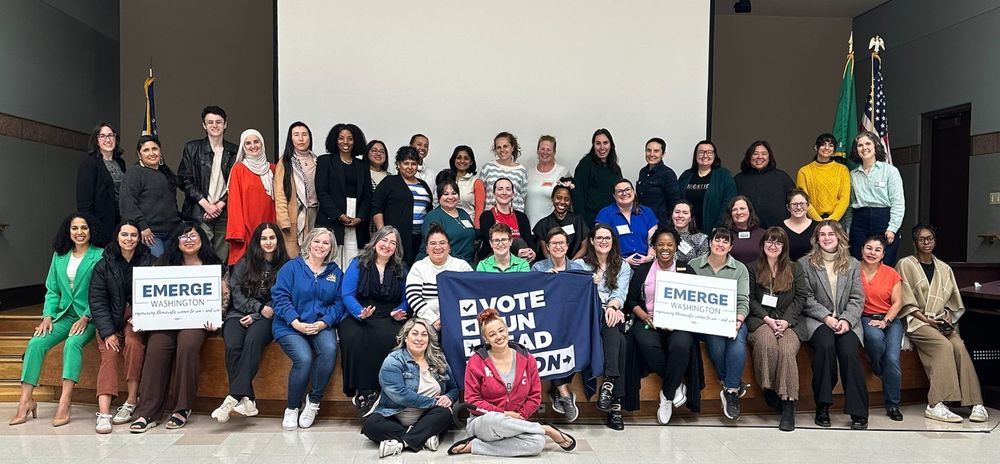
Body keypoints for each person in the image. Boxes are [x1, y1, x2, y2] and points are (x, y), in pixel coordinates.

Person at [11, 213, 103, 427]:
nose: (79, 232)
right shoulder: (59, 256)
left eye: (84, 228)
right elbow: (52, 290)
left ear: (91, 231)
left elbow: (101, 291)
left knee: (72, 344)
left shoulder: (99, 255)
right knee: (36, 343)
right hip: (63, 315)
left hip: (89, 316)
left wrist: (87, 315)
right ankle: (25, 401)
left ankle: (65, 400)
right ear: (68, 232)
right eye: (75, 228)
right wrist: (47, 316)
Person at [129, 222, 222, 432]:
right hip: (165, 321)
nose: (188, 241)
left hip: (198, 323)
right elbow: (148, 296)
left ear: (202, 239)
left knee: (188, 346)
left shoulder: (213, 265)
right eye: (183, 237)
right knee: (156, 349)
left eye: (193, 236)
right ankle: (148, 412)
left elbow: (223, 300)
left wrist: (215, 319)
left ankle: (182, 408)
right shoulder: (162, 265)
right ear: (176, 242)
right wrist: (142, 316)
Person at [449, 308, 576, 456]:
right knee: (493, 419)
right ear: (485, 339)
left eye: (501, 330)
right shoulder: (476, 361)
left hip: (517, 422)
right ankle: (545, 430)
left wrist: (520, 416)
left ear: (507, 330)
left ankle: (474, 446)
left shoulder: (528, 359)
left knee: (538, 443)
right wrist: (503, 414)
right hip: (484, 422)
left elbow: (534, 397)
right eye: (492, 334)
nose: (499, 336)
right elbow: (472, 401)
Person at [896, 224, 988, 423]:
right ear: (915, 243)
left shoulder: (945, 268)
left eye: (930, 238)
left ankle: (975, 403)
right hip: (917, 322)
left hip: (942, 322)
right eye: (922, 239)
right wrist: (925, 318)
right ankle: (936, 403)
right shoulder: (905, 264)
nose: (926, 242)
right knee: (943, 346)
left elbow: (952, 301)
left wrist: (946, 315)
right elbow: (904, 299)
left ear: (935, 241)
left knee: (959, 346)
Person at [794, 220, 869, 430]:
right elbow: (806, 298)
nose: (827, 238)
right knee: (826, 347)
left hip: (847, 321)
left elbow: (857, 298)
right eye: (822, 235)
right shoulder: (805, 263)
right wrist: (827, 317)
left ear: (839, 237)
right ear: (817, 239)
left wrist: (846, 320)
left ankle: (858, 411)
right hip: (818, 320)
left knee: (848, 352)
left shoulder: (853, 264)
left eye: (831, 234)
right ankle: (823, 405)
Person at [211, 222, 289, 423]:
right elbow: (236, 295)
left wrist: (257, 315)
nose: (268, 242)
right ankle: (248, 399)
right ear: (257, 241)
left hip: (268, 316)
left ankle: (232, 397)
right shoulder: (244, 262)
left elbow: (282, 297)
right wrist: (255, 309)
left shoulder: (287, 266)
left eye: (272, 238)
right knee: (233, 344)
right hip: (238, 312)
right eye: (264, 238)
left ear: (278, 240)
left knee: (253, 340)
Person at [624, 227, 701, 425]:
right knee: (644, 341)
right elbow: (631, 301)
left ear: (676, 247)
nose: (665, 248)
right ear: (654, 247)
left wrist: (678, 320)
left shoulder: (686, 269)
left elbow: (696, 303)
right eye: (660, 244)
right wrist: (643, 316)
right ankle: (674, 387)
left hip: (679, 324)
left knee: (682, 345)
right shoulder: (643, 270)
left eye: (669, 244)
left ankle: (666, 397)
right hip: (649, 320)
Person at [271, 227, 345, 431]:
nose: (321, 246)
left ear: (331, 247)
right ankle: (292, 407)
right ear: (309, 243)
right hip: (290, 325)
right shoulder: (291, 268)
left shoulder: (335, 273)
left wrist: (324, 323)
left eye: (326, 243)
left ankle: (313, 403)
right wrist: (295, 322)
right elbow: (280, 298)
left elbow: (338, 304)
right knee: (303, 359)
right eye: (317, 242)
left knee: (329, 350)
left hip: (320, 325)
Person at [89, 220, 155, 433]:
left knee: (134, 345)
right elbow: (97, 301)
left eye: (133, 235)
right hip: (109, 320)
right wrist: (108, 332)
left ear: (139, 238)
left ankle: (131, 401)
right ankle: (104, 413)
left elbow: (155, 294)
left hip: (136, 319)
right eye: (124, 234)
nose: (129, 239)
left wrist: (142, 315)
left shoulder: (149, 261)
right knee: (109, 353)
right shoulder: (103, 264)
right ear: (117, 237)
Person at [362, 318, 458, 458]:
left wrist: (448, 398)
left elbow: (453, 388)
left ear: (429, 339)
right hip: (393, 415)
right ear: (406, 337)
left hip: (429, 416)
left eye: (424, 335)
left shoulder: (439, 359)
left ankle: (401, 443)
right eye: (415, 333)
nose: (419, 338)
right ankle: (424, 437)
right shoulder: (393, 361)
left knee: (445, 414)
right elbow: (401, 395)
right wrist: (434, 402)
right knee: (371, 425)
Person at [340, 226, 409, 413]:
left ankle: (385, 391)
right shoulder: (358, 263)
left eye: (392, 242)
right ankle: (363, 392)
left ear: (397, 247)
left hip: (389, 314)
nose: (387, 245)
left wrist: (400, 310)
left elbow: (407, 298)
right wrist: (360, 312)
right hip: (359, 313)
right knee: (354, 338)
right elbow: (347, 295)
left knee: (390, 337)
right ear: (376, 241)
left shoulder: (401, 269)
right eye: (384, 240)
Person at [746, 227, 807, 431]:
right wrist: (768, 319)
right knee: (766, 344)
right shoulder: (752, 268)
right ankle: (770, 391)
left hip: (789, 323)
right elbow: (750, 299)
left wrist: (786, 321)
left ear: (784, 247)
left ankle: (788, 405)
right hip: (761, 321)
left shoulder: (795, 268)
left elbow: (800, 298)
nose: (773, 246)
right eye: (769, 242)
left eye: (778, 243)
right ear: (762, 245)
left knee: (787, 351)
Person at [688, 227, 750, 421]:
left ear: (730, 246)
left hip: (733, 319)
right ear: (710, 242)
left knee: (737, 341)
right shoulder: (694, 264)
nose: (720, 244)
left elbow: (743, 300)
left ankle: (730, 391)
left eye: (725, 241)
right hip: (703, 322)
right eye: (717, 240)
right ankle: (734, 384)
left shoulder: (739, 268)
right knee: (715, 340)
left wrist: (739, 319)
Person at [573, 224, 632, 429]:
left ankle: (610, 391)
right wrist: (594, 290)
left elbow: (620, 294)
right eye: (599, 238)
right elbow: (575, 292)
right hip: (588, 318)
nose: (603, 241)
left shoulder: (623, 266)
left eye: (607, 238)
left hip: (611, 316)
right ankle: (615, 404)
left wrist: (613, 307)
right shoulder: (580, 265)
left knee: (621, 342)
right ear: (591, 240)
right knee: (618, 337)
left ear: (613, 241)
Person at [178, 105, 238, 262]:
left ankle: (220, 285)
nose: (214, 125)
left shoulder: (234, 151)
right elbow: (185, 180)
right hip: (200, 209)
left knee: (221, 254)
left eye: (219, 122)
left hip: (224, 210)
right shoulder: (192, 148)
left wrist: (219, 205)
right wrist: (206, 205)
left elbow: (236, 183)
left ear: (225, 124)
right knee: (201, 252)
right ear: (204, 125)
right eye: (210, 122)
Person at [858, 234, 905, 422]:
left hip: (890, 320)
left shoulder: (891, 273)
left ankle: (893, 404)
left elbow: (898, 302)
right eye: (869, 248)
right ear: (862, 250)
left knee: (892, 360)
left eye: (877, 250)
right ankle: (878, 368)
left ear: (883, 254)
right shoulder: (853, 270)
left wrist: (885, 321)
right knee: (875, 340)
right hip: (865, 317)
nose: (872, 253)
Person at [316, 123, 371, 269]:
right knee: (332, 260)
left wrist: (360, 217)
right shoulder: (325, 161)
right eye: (341, 138)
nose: (345, 142)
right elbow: (322, 192)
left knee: (354, 261)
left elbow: (367, 195)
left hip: (357, 219)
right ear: (335, 140)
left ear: (356, 141)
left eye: (350, 138)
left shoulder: (362, 165)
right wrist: (338, 215)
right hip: (333, 216)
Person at [846, 131, 905, 266]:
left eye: (868, 143)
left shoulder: (890, 171)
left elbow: (898, 202)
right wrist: (848, 230)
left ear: (876, 146)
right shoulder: (852, 175)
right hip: (859, 221)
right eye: (859, 145)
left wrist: (893, 228)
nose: (864, 148)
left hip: (884, 220)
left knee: (885, 263)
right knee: (858, 263)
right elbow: (849, 206)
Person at [119, 135, 181, 257]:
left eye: (155, 148)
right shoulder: (134, 173)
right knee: (158, 270)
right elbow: (128, 203)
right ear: (139, 154)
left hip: (172, 233)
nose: (151, 153)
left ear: (160, 151)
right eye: (146, 150)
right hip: (151, 235)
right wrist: (142, 227)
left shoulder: (166, 173)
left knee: (173, 269)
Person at [372, 146, 434, 265]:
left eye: (413, 163)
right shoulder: (389, 182)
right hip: (397, 237)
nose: (410, 167)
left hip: (420, 239)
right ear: (398, 164)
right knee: (397, 270)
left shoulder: (423, 184)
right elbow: (376, 207)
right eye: (406, 163)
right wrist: (383, 233)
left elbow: (429, 210)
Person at [405, 224, 474, 331]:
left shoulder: (462, 266)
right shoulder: (418, 267)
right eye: (433, 243)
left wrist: (451, 319)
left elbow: (470, 294)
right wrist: (434, 320)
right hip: (426, 321)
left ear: (449, 247)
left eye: (442, 243)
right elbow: (413, 297)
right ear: (427, 248)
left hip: (457, 319)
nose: (438, 247)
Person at [225, 129, 276, 266]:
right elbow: (234, 203)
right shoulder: (238, 169)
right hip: (247, 228)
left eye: (256, 142)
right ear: (243, 147)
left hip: (269, 224)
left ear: (262, 144)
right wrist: (238, 232)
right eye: (248, 143)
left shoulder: (273, 169)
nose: (253, 146)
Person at [274, 121, 319, 256]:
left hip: (315, 213)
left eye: (304, 135)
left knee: (313, 254)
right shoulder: (285, 162)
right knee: (293, 257)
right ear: (290, 138)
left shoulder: (317, 160)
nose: (301, 138)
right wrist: (284, 220)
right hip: (294, 215)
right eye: (296, 135)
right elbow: (280, 193)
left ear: (309, 138)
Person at [77, 122, 126, 244]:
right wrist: (90, 227)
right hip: (101, 223)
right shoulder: (89, 163)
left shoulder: (120, 162)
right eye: (102, 136)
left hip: (120, 221)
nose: (108, 139)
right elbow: (84, 200)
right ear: (96, 141)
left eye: (111, 135)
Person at [595, 179, 658, 267]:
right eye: (619, 191)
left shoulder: (647, 212)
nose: (624, 193)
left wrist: (649, 257)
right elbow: (599, 242)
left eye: (627, 189)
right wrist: (623, 261)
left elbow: (654, 240)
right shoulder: (605, 214)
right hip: (616, 264)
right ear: (614, 195)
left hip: (646, 262)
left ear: (634, 191)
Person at [734, 140, 795, 228]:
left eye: (764, 153)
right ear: (749, 157)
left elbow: (794, 201)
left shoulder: (782, 177)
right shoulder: (738, 179)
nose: (759, 157)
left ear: (769, 157)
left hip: (777, 231)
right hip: (747, 231)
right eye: (755, 154)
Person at [677, 140, 737, 231]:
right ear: (695, 155)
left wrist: (718, 226)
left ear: (714, 155)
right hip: (686, 229)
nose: (705, 155)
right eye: (701, 152)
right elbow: (678, 200)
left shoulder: (724, 175)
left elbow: (728, 202)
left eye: (709, 152)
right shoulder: (686, 175)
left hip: (713, 229)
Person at [418, 177, 476, 264]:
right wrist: (461, 263)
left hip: (467, 263)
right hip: (443, 263)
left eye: (454, 193)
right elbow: (435, 246)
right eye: (445, 194)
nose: (450, 197)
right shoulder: (433, 216)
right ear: (439, 197)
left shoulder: (463, 213)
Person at [477, 178, 536, 263]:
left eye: (508, 189)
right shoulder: (486, 216)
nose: (504, 192)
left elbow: (530, 242)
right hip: (495, 257)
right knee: (518, 241)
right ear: (494, 194)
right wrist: (515, 252)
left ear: (512, 194)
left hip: (522, 258)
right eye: (500, 189)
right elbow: (491, 244)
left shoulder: (522, 217)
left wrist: (532, 252)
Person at [795, 133, 851, 221]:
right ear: (816, 147)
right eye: (823, 144)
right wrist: (818, 220)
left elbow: (844, 198)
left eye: (831, 145)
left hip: (837, 220)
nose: (827, 148)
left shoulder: (842, 170)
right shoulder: (804, 171)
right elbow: (803, 199)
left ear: (834, 150)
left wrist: (833, 219)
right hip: (812, 220)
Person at [572, 128, 623, 224]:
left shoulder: (615, 167)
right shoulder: (586, 164)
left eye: (605, 143)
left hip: (613, 219)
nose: (602, 147)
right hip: (592, 220)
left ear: (611, 145)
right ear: (593, 145)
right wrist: (582, 224)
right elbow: (578, 196)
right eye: (598, 143)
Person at [532, 178, 588, 260]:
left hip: (574, 264)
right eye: (558, 197)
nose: (562, 202)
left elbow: (584, 247)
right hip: (551, 265)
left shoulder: (578, 220)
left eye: (566, 199)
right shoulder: (543, 224)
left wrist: (571, 264)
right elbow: (545, 253)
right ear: (552, 198)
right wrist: (558, 265)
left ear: (571, 202)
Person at [525, 135, 570, 226]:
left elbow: (568, 203)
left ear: (554, 152)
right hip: (529, 228)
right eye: (542, 149)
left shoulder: (563, 172)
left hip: (551, 229)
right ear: (537, 151)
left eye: (548, 150)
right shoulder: (528, 173)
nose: (545, 152)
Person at [479, 132, 528, 211]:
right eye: (499, 147)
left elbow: (523, 196)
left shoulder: (521, 170)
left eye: (505, 146)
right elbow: (480, 195)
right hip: (491, 216)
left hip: (514, 216)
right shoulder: (487, 167)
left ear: (512, 147)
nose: (502, 150)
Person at [636, 137, 680, 226]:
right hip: (642, 221)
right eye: (648, 150)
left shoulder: (668, 174)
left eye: (656, 151)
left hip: (660, 223)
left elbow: (675, 202)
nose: (651, 154)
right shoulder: (643, 172)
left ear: (663, 154)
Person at [446, 145, 485, 227]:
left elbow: (480, 209)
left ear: (471, 162)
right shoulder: (446, 179)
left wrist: (477, 228)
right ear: (454, 160)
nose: (462, 161)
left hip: (468, 225)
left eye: (466, 158)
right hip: (447, 224)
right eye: (459, 158)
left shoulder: (476, 182)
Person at [722, 195, 765, 264]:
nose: (739, 212)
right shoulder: (724, 235)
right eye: (734, 209)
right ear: (730, 214)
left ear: (749, 211)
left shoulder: (763, 234)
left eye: (742, 208)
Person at [780, 188, 817, 261]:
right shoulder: (780, 229)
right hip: (787, 270)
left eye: (802, 204)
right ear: (788, 207)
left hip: (813, 270)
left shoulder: (818, 228)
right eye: (794, 204)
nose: (799, 207)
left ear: (808, 205)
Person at [366, 140, 391, 236]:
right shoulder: (361, 173)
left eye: (382, 151)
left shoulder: (391, 177)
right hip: (365, 221)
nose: (378, 154)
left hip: (385, 222)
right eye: (374, 150)